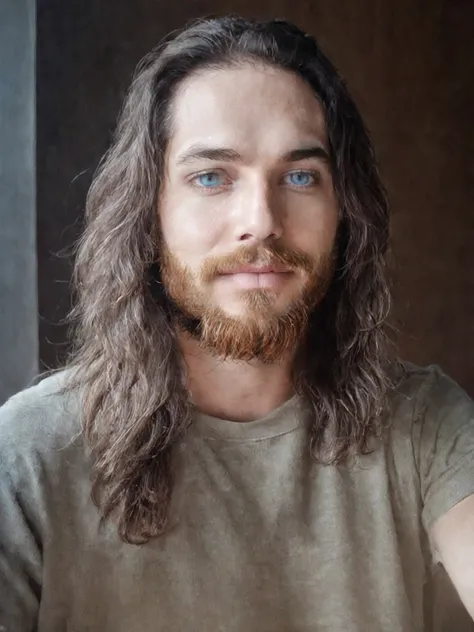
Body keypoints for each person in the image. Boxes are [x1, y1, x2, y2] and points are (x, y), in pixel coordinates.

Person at [0, 15, 473, 632]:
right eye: (211, 177)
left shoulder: (425, 426)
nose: (262, 220)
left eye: (300, 176)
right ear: (150, 213)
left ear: (344, 214)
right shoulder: (28, 458)